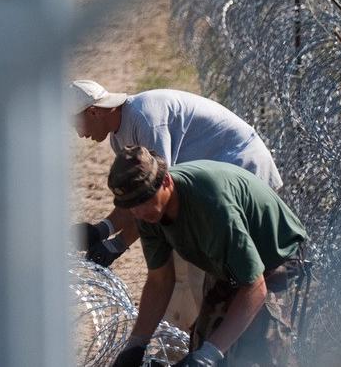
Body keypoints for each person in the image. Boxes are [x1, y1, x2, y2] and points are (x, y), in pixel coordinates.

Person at [71, 79, 282, 328]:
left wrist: (117, 244)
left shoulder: (145, 120)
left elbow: (155, 195)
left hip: (243, 171)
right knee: (185, 271)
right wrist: (102, 229)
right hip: (210, 186)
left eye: (76, 124)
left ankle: (236, 342)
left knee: (209, 275)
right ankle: (192, 343)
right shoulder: (119, 136)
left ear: (93, 111)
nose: (79, 134)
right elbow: (136, 195)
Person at [107, 147, 308, 367]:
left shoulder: (211, 205)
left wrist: (208, 356)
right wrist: (136, 345)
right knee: (201, 346)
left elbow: (255, 287)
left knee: (258, 354)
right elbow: (159, 281)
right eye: (131, 206)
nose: (139, 212)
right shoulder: (148, 214)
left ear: (166, 182)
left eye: (144, 200)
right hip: (229, 265)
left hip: (275, 259)